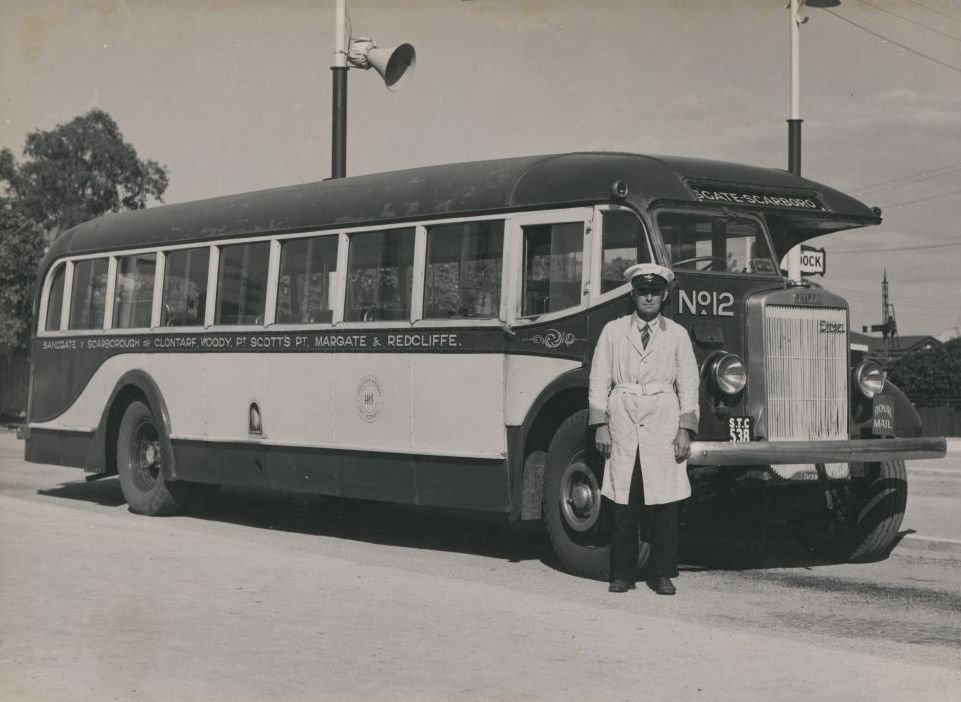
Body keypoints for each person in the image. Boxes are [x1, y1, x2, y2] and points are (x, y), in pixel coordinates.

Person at [588, 263, 699, 595]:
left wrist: (685, 430)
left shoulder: (677, 334)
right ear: (633, 294)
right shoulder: (613, 331)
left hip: (663, 422)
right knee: (624, 500)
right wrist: (601, 425)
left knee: (665, 503)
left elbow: (689, 385)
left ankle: (662, 573)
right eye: (642, 291)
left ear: (664, 296)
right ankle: (622, 574)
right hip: (623, 420)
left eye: (654, 292)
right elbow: (598, 379)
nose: (648, 298)